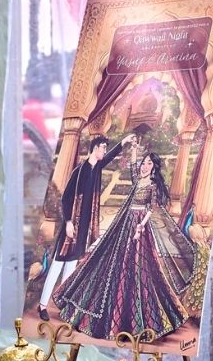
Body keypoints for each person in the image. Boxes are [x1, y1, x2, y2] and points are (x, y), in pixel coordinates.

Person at [52, 142, 195, 341]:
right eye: (144, 163)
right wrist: (134, 149)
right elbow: (133, 168)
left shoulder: (152, 186)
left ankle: (138, 320)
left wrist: (141, 226)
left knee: (139, 268)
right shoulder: (138, 180)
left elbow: (152, 208)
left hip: (139, 227)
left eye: (148, 164)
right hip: (125, 224)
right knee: (110, 261)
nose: (145, 166)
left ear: (154, 168)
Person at [37, 133, 135, 320]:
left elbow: (110, 156)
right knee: (57, 264)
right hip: (71, 225)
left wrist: (124, 142)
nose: (104, 151)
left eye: (105, 148)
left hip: (83, 227)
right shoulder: (79, 171)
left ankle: (62, 304)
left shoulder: (96, 168)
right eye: (103, 147)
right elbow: (65, 199)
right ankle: (42, 306)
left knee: (71, 266)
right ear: (95, 148)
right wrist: (67, 222)